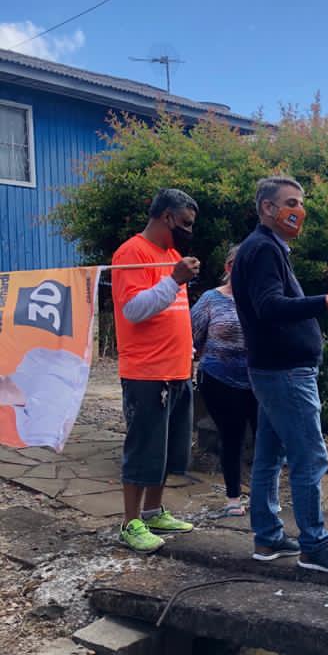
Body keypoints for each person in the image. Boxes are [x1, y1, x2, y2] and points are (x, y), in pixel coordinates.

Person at [231, 176, 328, 574]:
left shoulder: (269, 248)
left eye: (301, 202)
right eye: (290, 202)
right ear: (267, 209)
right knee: (310, 457)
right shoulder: (261, 249)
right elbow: (270, 307)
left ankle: (269, 536)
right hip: (285, 373)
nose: (298, 210)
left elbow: (277, 303)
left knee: (270, 457)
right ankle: (314, 545)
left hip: (277, 370)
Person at [112, 188, 200, 553]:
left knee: (165, 449)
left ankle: (153, 510)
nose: (189, 232)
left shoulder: (172, 254)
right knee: (143, 446)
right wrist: (175, 279)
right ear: (166, 217)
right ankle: (129, 523)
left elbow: (171, 310)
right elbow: (134, 310)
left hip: (176, 368)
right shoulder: (131, 253)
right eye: (185, 223)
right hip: (146, 372)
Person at [191, 245, 258, 517]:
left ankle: (265, 496)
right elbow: (191, 336)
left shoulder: (260, 299)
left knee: (266, 438)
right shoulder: (211, 299)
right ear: (229, 267)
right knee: (231, 437)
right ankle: (233, 498)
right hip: (219, 380)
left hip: (258, 381)